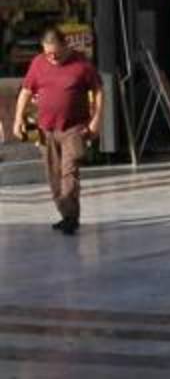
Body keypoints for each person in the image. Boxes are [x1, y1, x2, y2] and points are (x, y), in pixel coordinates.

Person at [11, 26, 102, 236]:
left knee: (69, 170)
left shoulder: (81, 64)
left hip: (74, 127)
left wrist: (97, 120)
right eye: (47, 52)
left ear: (65, 45)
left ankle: (70, 218)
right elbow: (26, 91)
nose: (51, 56)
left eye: (55, 52)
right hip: (46, 128)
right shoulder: (38, 63)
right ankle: (67, 214)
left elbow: (98, 90)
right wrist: (18, 119)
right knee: (54, 175)